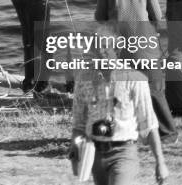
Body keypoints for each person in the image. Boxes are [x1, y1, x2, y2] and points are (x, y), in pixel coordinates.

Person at [96, 0, 178, 142]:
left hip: (119, 49)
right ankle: (168, 133)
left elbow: (100, 18)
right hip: (146, 46)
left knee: (120, 91)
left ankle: (125, 132)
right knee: (156, 90)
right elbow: (157, 18)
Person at [70, 33, 169, 185]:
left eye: (105, 50)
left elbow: (149, 124)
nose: (100, 56)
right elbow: (79, 122)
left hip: (124, 152)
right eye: (97, 51)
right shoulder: (84, 79)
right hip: (95, 152)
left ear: (117, 52)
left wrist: (160, 162)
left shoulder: (135, 80)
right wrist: (75, 148)